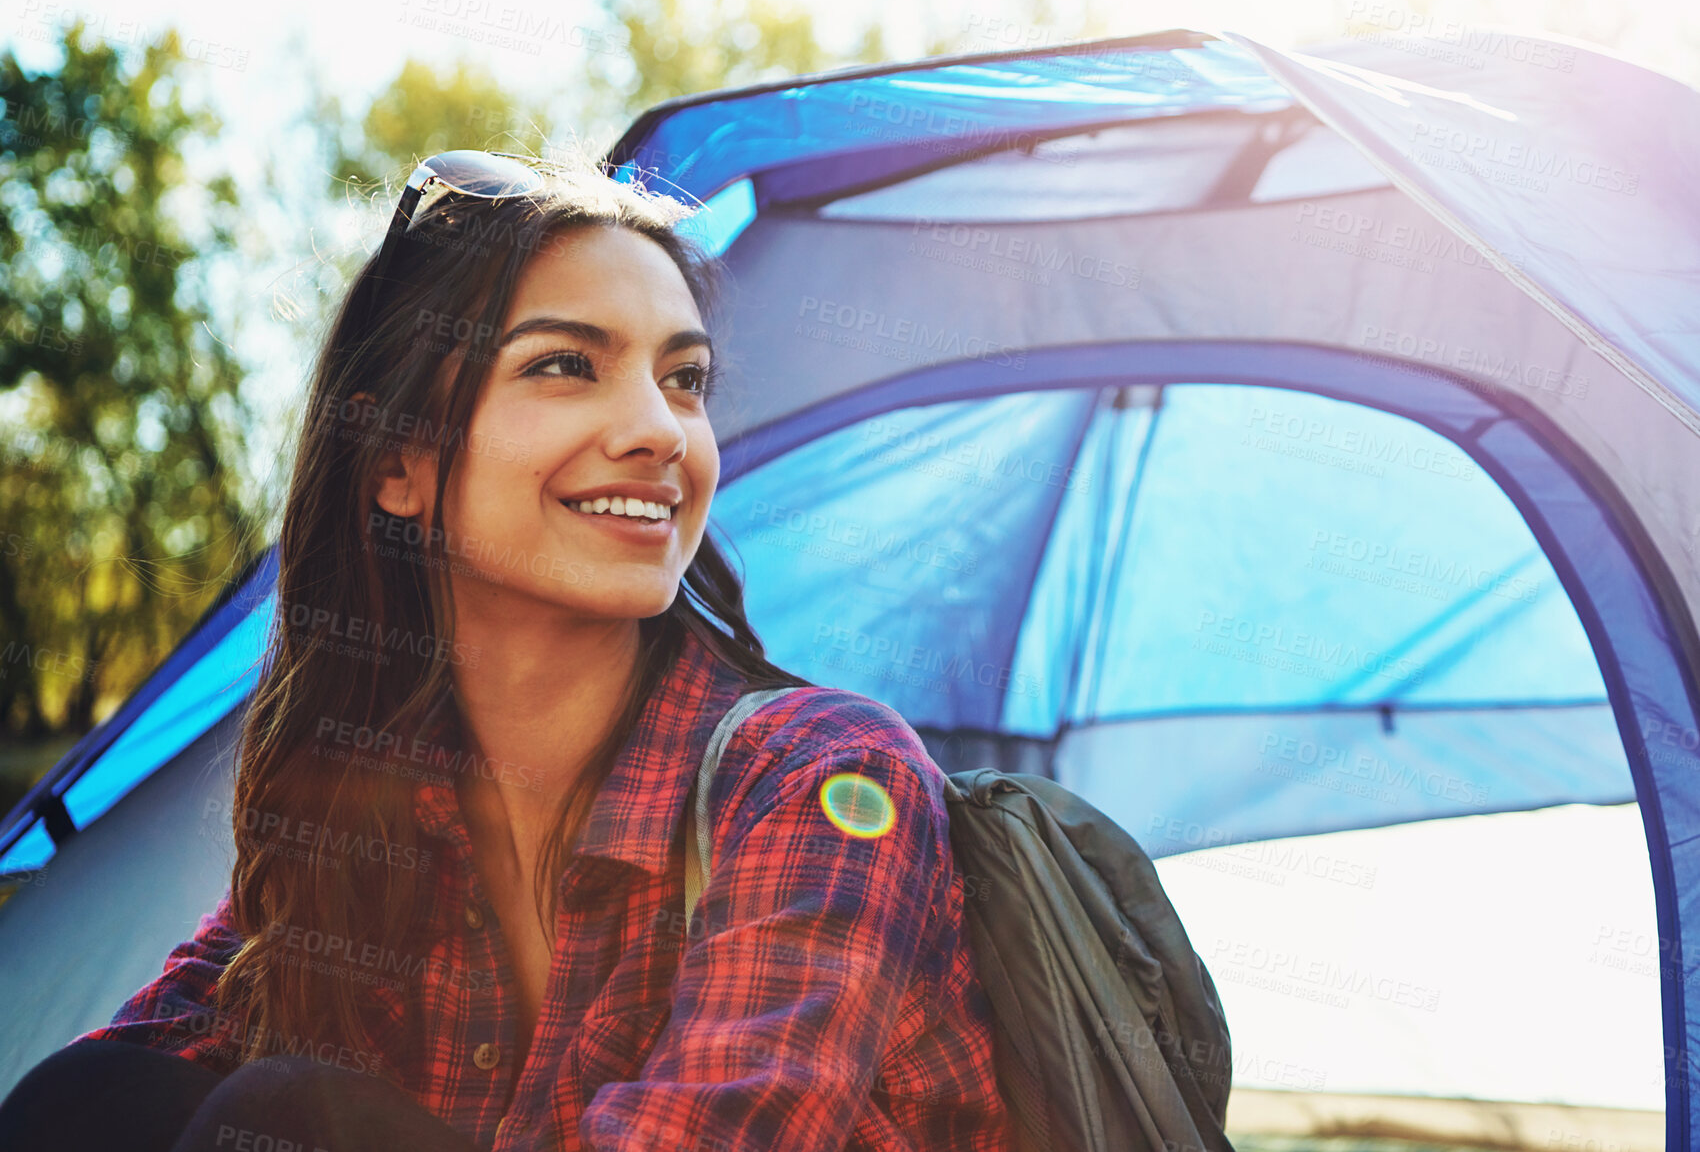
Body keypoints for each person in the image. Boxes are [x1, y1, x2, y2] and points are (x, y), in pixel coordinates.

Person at [0, 148, 1018, 1152]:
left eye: (685, 378)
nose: (658, 429)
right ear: (397, 459)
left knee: (292, 1119)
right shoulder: (373, 827)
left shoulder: (816, 778)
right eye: (565, 365)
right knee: (96, 1098)